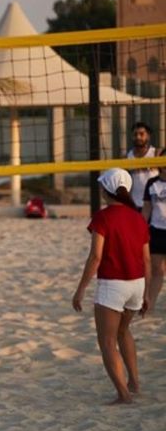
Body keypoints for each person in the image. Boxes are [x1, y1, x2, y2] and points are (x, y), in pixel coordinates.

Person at [72, 168, 150, 405]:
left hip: (113, 285)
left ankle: (123, 395)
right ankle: (134, 383)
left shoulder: (103, 217)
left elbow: (95, 256)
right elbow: (146, 259)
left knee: (107, 342)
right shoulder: (137, 217)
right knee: (124, 331)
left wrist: (80, 289)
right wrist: (146, 293)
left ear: (106, 190)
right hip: (137, 284)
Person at [141, 148, 166, 313]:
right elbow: (147, 208)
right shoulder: (152, 183)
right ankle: (148, 306)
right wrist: (140, 230)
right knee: (157, 271)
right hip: (157, 231)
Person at [126, 121, 159, 210]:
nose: (138, 137)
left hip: (154, 204)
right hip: (135, 204)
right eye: (135, 134)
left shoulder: (156, 154)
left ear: (148, 136)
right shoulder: (127, 157)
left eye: (141, 134)